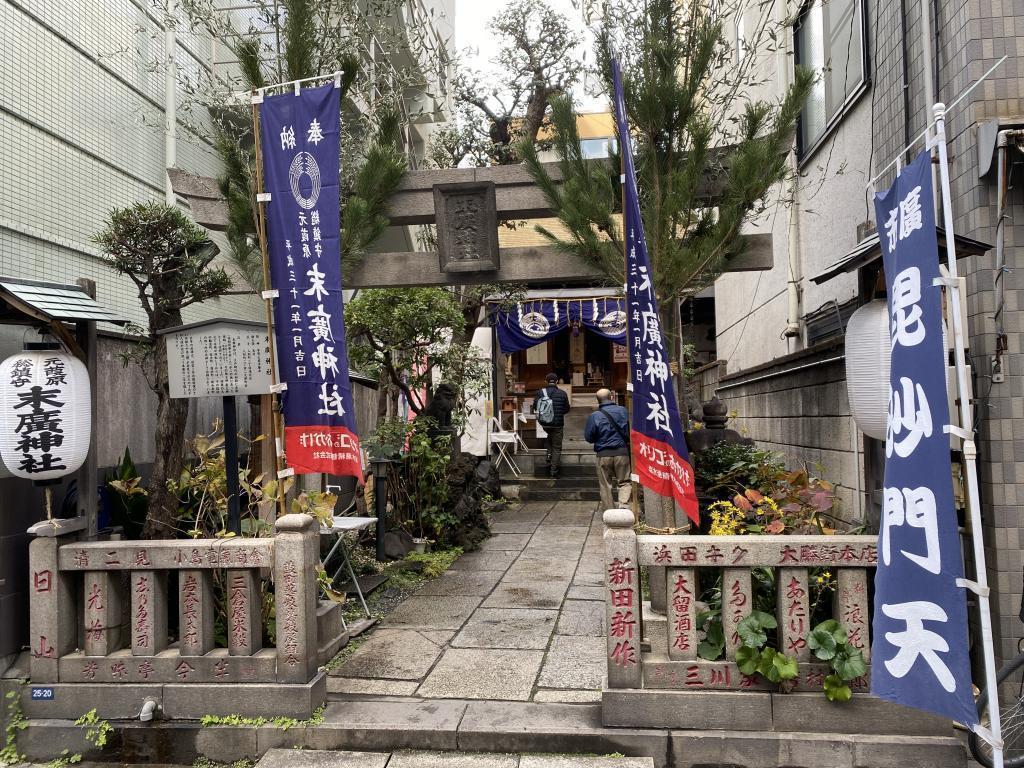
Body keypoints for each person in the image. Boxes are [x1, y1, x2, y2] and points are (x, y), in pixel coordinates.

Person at [584, 388, 631, 511]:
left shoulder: (594, 416)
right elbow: (630, 431)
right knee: (625, 481)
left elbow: (589, 437)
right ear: (611, 397)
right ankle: (624, 508)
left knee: (605, 485)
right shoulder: (623, 411)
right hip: (622, 452)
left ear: (598, 400)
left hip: (603, 454)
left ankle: (609, 512)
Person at [535, 373, 570, 477]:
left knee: (549, 436)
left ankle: (549, 455)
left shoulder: (540, 392)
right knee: (557, 447)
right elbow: (567, 408)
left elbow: (535, 406)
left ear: (546, 381)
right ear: (557, 381)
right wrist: (558, 413)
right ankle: (553, 471)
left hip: (544, 423)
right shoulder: (562, 393)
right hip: (558, 424)